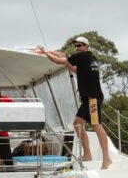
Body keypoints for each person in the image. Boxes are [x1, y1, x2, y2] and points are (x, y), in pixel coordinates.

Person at [37, 36, 112, 169]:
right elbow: (74, 69)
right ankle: (88, 153)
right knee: (77, 124)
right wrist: (59, 55)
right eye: (76, 46)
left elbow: (59, 61)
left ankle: (107, 158)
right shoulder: (90, 58)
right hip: (89, 98)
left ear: (86, 46)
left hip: (92, 98)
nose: (77, 48)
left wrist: (45, 53)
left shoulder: (83, 56)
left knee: (96, 125)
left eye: (80, 45)